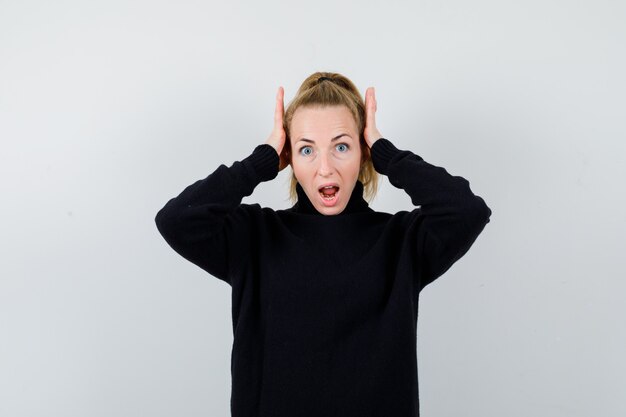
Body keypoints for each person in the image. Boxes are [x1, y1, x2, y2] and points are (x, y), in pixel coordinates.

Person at [154, 71, 492, 417]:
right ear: (290, 158)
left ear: (363, 154)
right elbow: (176, 220)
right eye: (306, 150)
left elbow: (466, 211)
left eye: (342, 146)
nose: (325, 168)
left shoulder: (401, 240)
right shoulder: (254, 235)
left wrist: (385, 153)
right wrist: (263, 160)